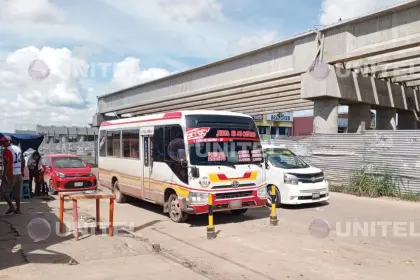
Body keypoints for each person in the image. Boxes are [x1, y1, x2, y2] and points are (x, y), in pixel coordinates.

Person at [0, 135, 24, 214]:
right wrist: (22, 171)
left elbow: (7, 163)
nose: (3, 143)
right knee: (17, 192)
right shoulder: (18, 149)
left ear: (9, 142)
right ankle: (18, 209)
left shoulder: (7, 150)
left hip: (11, 173)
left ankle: (11, 207)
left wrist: (4, 175)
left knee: (3, 192)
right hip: (18, 173)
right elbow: (23, 161)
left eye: (4, 142)